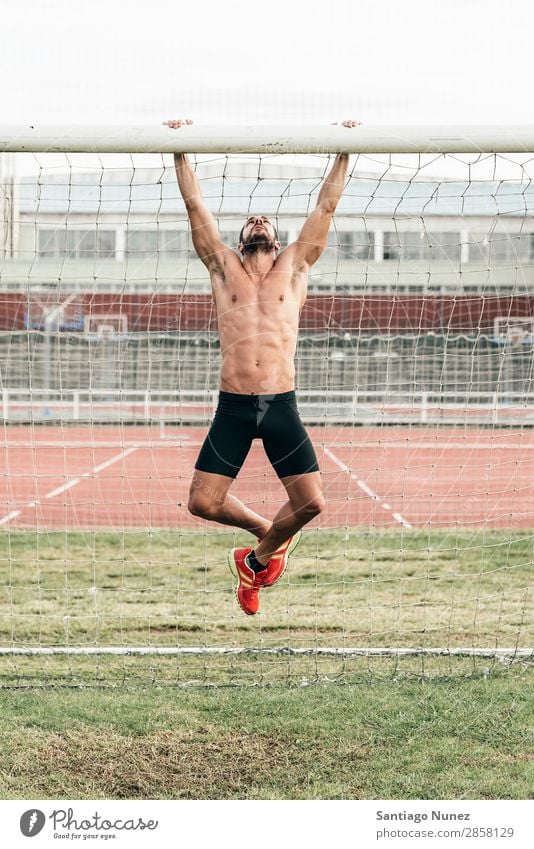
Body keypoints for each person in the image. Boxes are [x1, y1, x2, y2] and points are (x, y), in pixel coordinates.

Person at [165, 118, 359, 615]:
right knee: (202, 503)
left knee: (313, 504)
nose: (257, 222)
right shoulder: (221, 267)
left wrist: (346, 150)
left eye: (264, 221)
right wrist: (178, 151)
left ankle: (256, 560)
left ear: (277, 237)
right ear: (242, 237)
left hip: (280, 404)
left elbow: (326, 205)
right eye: (249, 220)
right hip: (232, 406)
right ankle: (262, 538)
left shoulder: (294, 266)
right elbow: (195, 206)